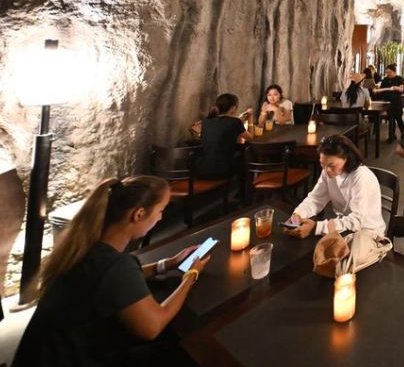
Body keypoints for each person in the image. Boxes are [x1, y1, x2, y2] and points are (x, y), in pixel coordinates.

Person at [14, 176, 210, 367]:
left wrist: (167, 264)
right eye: (160, 210)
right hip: (70, 359)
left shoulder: (85, 245)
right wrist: (191, 275)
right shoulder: (114, 265)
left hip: (39, 355)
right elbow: (153, 326)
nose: (161, 217)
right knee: (180, 349)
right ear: (139, 214)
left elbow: (115, 281)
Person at [288, 135, 386, 238]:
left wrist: (316, 227)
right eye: (322, 164)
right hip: (344, 229)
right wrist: (297, 216)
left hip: (368, 234)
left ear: (346, 159)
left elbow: (357, 220)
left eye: (332, 165)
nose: (326, 170)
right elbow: (316, 199)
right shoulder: (327, 171)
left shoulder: (361, 176)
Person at [193, 93, 252, 179]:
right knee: (246, 153)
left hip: (201, 169)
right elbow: (251, 138)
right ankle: (244, 189)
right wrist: (250, 119)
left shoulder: (205, 121)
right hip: (222, 170)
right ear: (233, 108)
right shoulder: (235, 122)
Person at [374, 63, 404, 142]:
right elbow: (381, 90)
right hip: (388, 103)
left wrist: (396, 88)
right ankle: (392, 135)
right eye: (387, 72)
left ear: (394, 72)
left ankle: (403, 133)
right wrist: (377, 91)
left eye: (389, 72)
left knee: (398, 119)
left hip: (397, 102)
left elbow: (401, 89)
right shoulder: (385, 80)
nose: (388, 74)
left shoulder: (399, 78)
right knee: (391, 119)